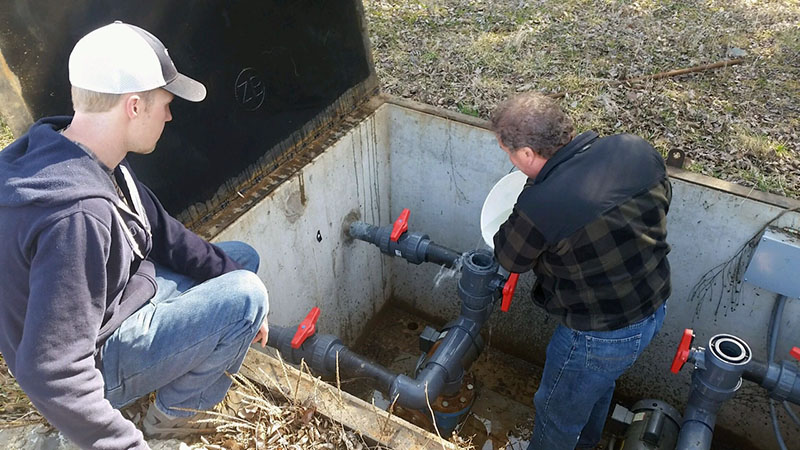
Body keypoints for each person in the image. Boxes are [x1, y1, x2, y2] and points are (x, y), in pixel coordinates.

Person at [0, 22, 270, 449]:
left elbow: (165, 234)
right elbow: (51, 370)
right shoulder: (76, 217)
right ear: (134, 106)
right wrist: (124, 444)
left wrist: (232, 275)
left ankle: (196, 345)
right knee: (246, 296)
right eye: (165, 102)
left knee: (240, 261)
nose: (169, 114)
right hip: (95, 360)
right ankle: (169, 423)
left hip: (111, 304)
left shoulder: (81, 152)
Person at [489, 93, 671, 450]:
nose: (511, 162)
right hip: (654, 304)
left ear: (527, 154)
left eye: (509, 154)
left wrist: (534, 190)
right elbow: (657, 205)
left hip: (598, 334)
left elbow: (509, 258)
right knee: (597, 387)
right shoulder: (635, 150)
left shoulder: (541, 205)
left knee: (556, 412)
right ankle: (587, 443)